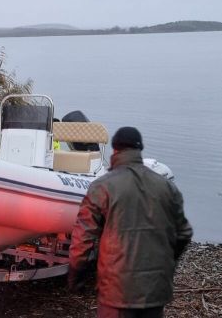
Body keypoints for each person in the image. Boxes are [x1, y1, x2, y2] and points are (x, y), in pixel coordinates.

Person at [68, 126, 193, 318]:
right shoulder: (166, 186)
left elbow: (83, 237)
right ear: (139, 150)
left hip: (117, 292)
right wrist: (167, 262)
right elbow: (184, 233)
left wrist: (76, 275)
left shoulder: (102, 187)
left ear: (115, 150)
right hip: (155, 290)